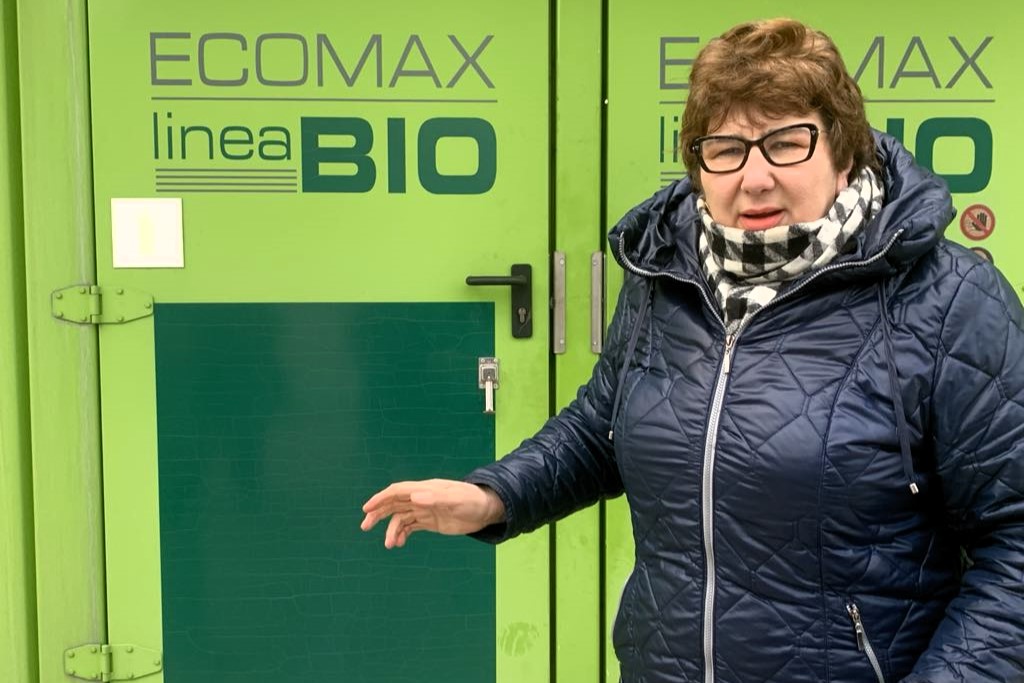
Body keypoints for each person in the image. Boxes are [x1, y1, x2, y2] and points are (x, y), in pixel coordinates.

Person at [361, 17, 1024, 683]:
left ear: (844, 152)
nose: (755, 178)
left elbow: (1014, 544)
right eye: (726, 149)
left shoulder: (949, 300)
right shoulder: (667, 273)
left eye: (786, 143)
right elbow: (602, 427)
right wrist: (495, 495)